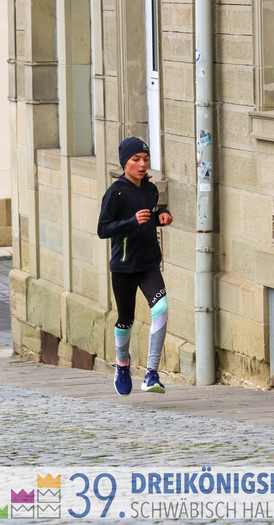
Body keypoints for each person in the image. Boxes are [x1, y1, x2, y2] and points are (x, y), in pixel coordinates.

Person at [97, 137, 173, 396]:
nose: (142, 165)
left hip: (149, 264)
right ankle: (122, 365)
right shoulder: (115, 192)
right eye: (136, 160)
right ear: (125, 163)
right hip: (123, 266)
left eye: (146, 159)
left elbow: (148, 217)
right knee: (125, 320)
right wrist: (131, 221)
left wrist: (161, 215)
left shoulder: (150, 189)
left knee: (161, 310)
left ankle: (151, 373)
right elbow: (103, 229)